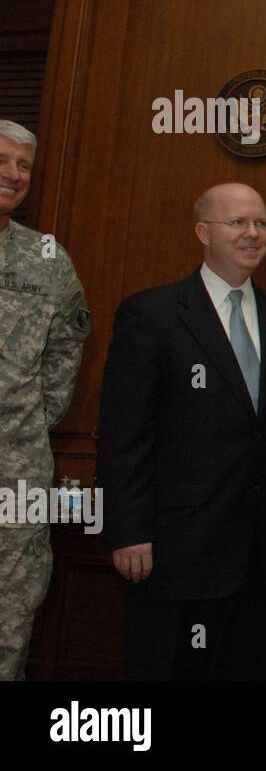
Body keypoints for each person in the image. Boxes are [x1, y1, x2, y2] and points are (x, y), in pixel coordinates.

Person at [97, 183, 266, 680]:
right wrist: (128, 530)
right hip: (176, 552)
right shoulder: (151, 315)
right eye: (237, 223)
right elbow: (123, 434)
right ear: (203, 232)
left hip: (260, 554)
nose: (252, 234)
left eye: (261, 223)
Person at [0, 120, 89, 680]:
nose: (13, 174)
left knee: (11, 615)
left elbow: (65, 353)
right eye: (3, 159)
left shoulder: (48, 259)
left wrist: (25, 422)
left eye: (24, 165)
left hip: (17, 473)